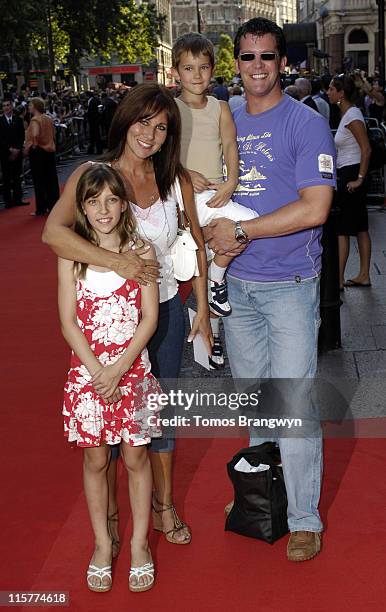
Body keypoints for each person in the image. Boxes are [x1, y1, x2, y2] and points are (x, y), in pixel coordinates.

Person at [43, 83, 212, 552]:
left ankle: (163, 507)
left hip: (164, 315)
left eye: (161, 128)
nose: (151, 134)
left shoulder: (173, 177)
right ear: (126, 120)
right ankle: (112, 519)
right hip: (108, 321)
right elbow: (52, 234)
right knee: (109, 420)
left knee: (157, 417)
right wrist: (118, 263)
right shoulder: (93, 176)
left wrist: (201, 308)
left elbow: (194, 241)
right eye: (144, 121)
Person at [205, 17, 336, 562]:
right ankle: (262, 497)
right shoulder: (225, 115)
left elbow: (316, 207)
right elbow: (207, 185)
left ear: (283, 62)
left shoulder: (305, 123)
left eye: (267, 56)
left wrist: (241, 230)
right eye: (247, 57)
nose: (256, 66)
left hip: (289, 285)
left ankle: (305, 516)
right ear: (235, 62)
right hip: (236, 286)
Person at [59, 163, 162, 593]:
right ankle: (102, 544)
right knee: (96, 460)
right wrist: (97, 371)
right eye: (93, 201)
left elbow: (150, 318)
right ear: (82, 206)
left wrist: (119, 368)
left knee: (136, 458)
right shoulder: (73, 253)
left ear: (123, 203)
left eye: (111, 200)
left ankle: (139, 544)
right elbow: (68, 322)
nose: (103, 209)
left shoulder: (143, 251)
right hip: (87, 377)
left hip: (132, 370)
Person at [172, 32, 258, 368]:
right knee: (238, 231)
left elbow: (231, 146)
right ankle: (212, 301)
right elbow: (158, 154)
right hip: (184, 196)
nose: (196, 75)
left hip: (215, 192)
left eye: (203, 67)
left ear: (213, 70)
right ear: (176, 72)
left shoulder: (221, 107)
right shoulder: (170, 108)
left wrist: (232, 181)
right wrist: (182, 173)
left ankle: (210, 328)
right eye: (189, 68)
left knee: (227, 241)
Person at [327, 75, 372, 289]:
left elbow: (366, 148)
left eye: (331, 88)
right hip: (350, 172)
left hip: (351, 173)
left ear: (340, 93)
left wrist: (358, 179)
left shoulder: (352, 115)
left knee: (342, 230)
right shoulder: (348, 114)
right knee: (360, 227)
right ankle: (363, 274)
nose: (328, 92)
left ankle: (339, 279)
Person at [24, 97, 59, 216]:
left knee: (39, 181)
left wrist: (33, 146)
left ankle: (41, 208)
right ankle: (53, 205)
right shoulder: (48, 119)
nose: (28, 107)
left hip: (38, 151)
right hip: (49, 151)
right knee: (51, 180)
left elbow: (35, 135)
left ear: (35, 106)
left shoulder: (35, 120)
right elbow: (54, 133)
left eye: (30, 105)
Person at [0, 99, 28, 208]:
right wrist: (10, 149)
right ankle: (8, 202)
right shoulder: (0, 121)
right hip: (5, 153)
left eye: (8, 105)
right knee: (6, 178)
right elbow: (0, 139)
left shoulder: (18, 120)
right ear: (2, 108)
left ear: (12, 106)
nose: (6, 108)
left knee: (17, 176)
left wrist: (17, 149)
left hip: (17, 152)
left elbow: (21, 136)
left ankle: (18, 199)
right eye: (4, 106)